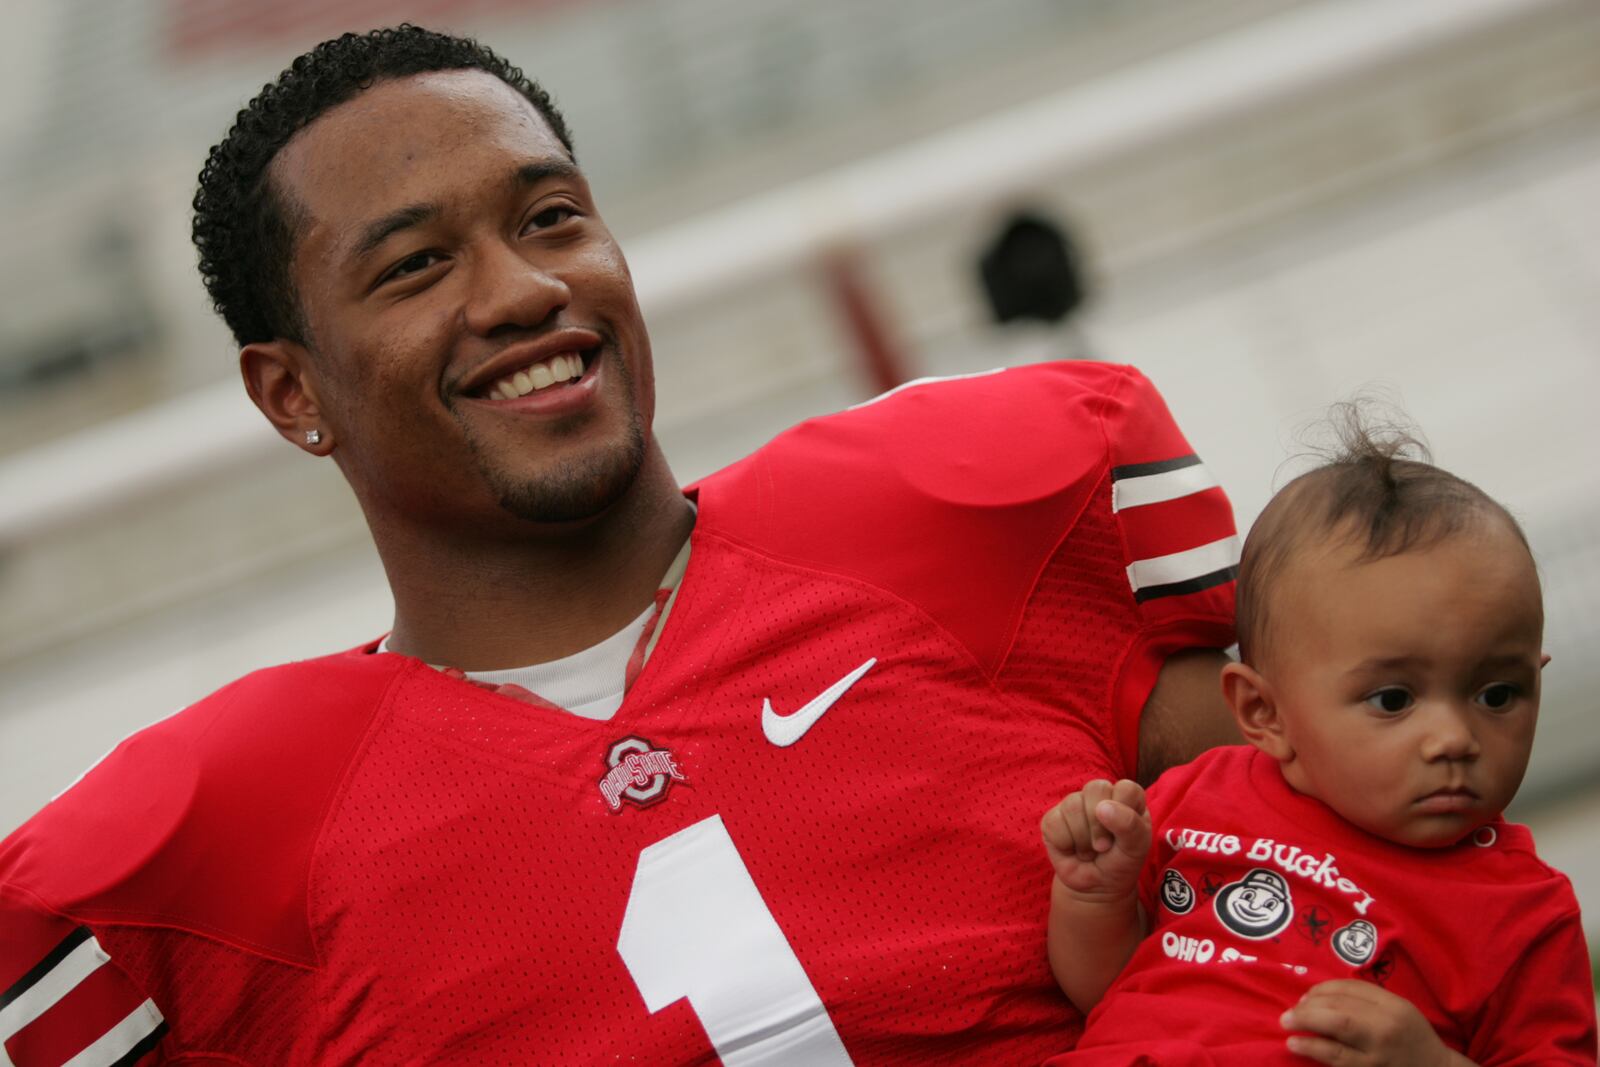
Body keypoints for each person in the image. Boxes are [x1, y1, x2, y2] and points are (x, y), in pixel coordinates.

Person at [0, 25, 1244, 1066]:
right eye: (419, 264)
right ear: (289, 393)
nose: (522, 289)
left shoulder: (985, 514)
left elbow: (1370, 879)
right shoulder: (210, 848)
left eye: (549, 217)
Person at [1040, 422, 1598, 1066]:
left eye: (1496, 694)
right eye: (1393, 700)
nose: (1454, 739)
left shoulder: (1524, 915)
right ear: (1264, 712)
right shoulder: (1194, 799)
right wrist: (1094, 897)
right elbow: (1105, 988)